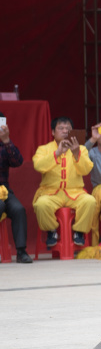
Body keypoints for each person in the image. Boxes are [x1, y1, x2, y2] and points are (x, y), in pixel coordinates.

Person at [32, 117, 97, 247]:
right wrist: (57, 153)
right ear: (52, 132)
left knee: (90, 201)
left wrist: (76, 153)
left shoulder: (81, 149)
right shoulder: (43, 149)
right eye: (61, 128)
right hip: (50, 193)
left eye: (68, 129)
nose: (65, 131)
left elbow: (86, 170)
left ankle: (79, 231)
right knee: (41, 204)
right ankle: (52, 231)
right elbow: (38, 166)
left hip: (75, 193)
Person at [0, 112, 30, 263]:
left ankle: (21, 251)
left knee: (18, 209)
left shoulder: (4, 145)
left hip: (4, 191)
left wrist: (7, 141)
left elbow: (18, 161)